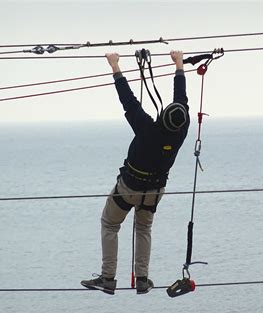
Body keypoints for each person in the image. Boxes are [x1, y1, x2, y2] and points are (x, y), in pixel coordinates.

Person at [81, 50, 190, 295]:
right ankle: (142, 279)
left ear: (163, 116)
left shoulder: (147, 128)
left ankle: (108, 278)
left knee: (109, 224)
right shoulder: (181, 131)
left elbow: (127, 99)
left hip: (129, 188)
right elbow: (181, 99)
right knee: (143, 229)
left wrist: (114, 65)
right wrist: (180, 65)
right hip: (154, 192)